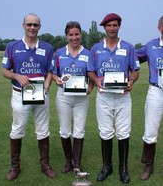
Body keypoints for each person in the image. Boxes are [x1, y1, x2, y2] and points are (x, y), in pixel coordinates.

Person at [1, 13, 56, 181]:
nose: (32, 27)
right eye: (29, 24)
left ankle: (45, 165)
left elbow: (50, 71)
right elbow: (4, 71)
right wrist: (17, 76)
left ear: (40, 27)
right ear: (23, 25)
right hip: (19, 94)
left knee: (43, 129)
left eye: (35, 25)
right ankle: (15, 166)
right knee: (17, 129)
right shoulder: (12, 46)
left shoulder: (47, 47)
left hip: (41, 94)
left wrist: (47, 85)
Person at [87, 13, 140, 183]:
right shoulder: (96, 48)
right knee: (105, 132)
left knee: (123, 132)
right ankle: (106, 167)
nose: (112, 28)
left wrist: (131, 81)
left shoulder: (129, 47)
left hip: (123, 97)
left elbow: (135, 70)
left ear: (119, 26)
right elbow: (90, 70)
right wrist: (96, 81)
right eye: (109, 25)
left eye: (115, 25)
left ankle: (123, 168)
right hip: (104, 96)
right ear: (104, 27)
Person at [51, 21, 94, 173]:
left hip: (82, 97)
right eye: (71, 35)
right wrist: (56, 79)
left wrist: (90, 86)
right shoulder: (59, 53)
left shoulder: (88, 53)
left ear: (81, 35)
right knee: (64, 130)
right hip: (63, 95)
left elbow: (92, 73)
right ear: (66, 36)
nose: (74, 37)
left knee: (79, 130)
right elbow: (53, 72)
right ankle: (69, 162)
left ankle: (76, 163)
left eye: (76, 34)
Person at [136, 16, 163, 181]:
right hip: (156, 91)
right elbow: (133, 56)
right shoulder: (151, 45)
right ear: (160, 28)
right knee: (151, 129)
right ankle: (148, 165)